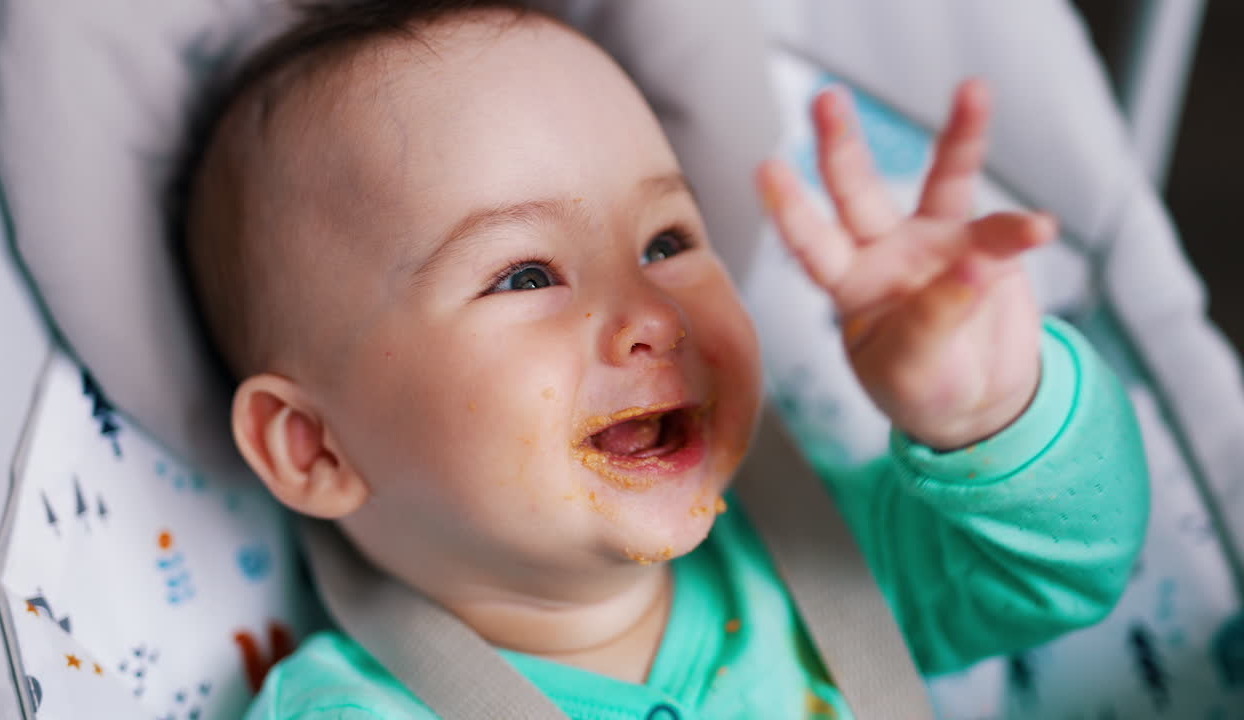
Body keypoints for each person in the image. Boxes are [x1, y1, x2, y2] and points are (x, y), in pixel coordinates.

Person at [181, 1, 1150, 717]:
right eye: (523, 275)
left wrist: (986, 411)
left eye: (665, 243)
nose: (650, 312)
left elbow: (1062, 571)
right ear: (313, 448)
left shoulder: (823, 567)